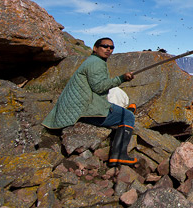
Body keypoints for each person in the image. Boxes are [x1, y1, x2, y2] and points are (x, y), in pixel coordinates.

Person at [42, 37, 137, 167]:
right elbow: (99, 87)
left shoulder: (93, 61)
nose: (108, 49)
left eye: (111, 47)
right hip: (85, 110)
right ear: (95, 48)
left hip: (82, 105)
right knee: (128, 117)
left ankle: (123, 113)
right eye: (105, 46)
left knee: (117, 108)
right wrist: (121, 78)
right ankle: (119, 155)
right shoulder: (96, 63)